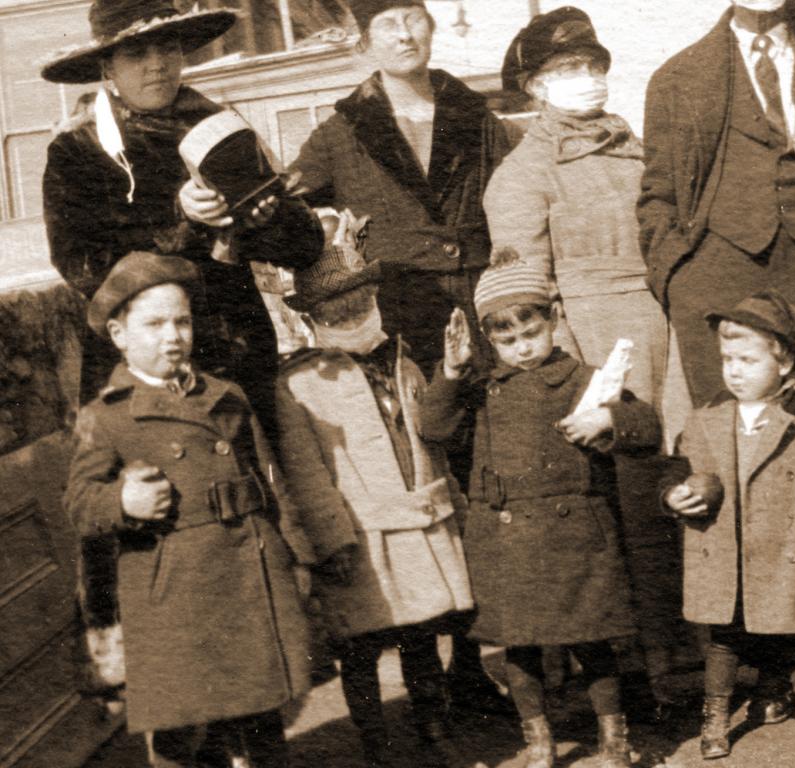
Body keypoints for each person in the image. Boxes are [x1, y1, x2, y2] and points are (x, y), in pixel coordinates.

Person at [637, 0, 795, 719]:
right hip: (718, 272)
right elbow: (656, 192)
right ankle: (774, 670)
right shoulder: (676, 77)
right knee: (736, 466)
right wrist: (676, 274)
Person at [287, 0, 514, 715]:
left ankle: (497, 656)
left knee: (488, 480)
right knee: (430, 488)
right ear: (363, 40)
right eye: (388, 24)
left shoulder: (475, 115)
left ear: (431, 28)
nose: (406, 33)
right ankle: (442, 670)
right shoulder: (341, 129)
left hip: (483, 314)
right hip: (401, 329)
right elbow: (292, 215)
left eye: (415, 17)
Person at [485, 6, 691, 715]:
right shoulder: (523, 173)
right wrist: (581, 383)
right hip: (598, 343)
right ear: (535, 87)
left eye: (593, 66)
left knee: (682, 480)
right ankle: (639, 673)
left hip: (665, 330)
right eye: (566, 71)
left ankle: (690, 651)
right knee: (623, 505)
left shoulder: (634, 148)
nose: (586, 80)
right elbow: (525, 295)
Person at [64, 252, 313, 768]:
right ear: (118, 334)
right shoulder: (105, 416)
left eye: (182, 321)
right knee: (184, 727)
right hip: (172, 590)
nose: (172, 335)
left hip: (248, 572)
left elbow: (269, 480)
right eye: (153, 324)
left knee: (262, 709)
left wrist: (297, 552)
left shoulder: (227, 397)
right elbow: (80, 503)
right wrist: (122, 501)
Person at [418, 252, 661, 768]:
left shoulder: (585, 381)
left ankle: (614, 741)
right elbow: (434, 429)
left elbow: (647, 426)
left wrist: (609, 420)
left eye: (531, 332)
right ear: (489, 340)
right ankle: (539, 740)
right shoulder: (482, 388)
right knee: (519, 648)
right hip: (506, 539)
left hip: (576, 536)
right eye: (506, 340)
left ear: (554, 320)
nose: (523, 349)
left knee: (592, 641)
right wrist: (451, 371)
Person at [41, 0, 323, 430]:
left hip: (241, 353)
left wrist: (264, 220)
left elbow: (305, 244)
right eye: (137, 54)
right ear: (108, 69)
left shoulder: (223, 129)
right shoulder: (79, 150)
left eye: (168, 49)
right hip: (146, 363)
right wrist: (182, 218)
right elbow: (82, 266)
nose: (157, 65)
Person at [275, 209, 474, 766]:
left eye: (359, 303)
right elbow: (308, 475)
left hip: (415, 518)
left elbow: (428, 432)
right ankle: (375, 740)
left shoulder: (401, 358)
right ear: (313, 317)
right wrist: (329, 541)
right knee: (359, 646)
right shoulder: (300, 384)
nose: (352, 316)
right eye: (337, 310)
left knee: (422, 630)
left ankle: (433, 727)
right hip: (358, 535)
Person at [663, 290, 795, 757]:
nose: (734, 370)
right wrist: (676, 494)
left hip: (787, 548)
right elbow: (679, 468)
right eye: (728, 358)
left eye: (748, 360)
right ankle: (714, 721)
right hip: (726, 554)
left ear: (785, 363)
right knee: (724, 643)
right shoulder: (706, 417)